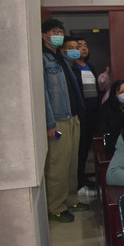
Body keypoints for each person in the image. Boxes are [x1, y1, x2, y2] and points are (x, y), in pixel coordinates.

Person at [41, 19, 88, 223]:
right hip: (58, 121)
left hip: (72, 117)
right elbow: (43, 94)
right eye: (55, 32)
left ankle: (71, 200)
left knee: (71, 162)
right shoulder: (43, 59)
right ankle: (56, 207)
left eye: (61, 31)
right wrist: (50, 123)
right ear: (44, 35)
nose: (59, 35)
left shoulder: (60, 57)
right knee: (58, 165)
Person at [73, 36, 100, 193]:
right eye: (79, 46)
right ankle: (78, 180)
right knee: (79, 149)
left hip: (92, 114)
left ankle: (83, 177)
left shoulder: (90, 67)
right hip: (80, 115)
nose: (83, 48)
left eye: (85, 45)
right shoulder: (72, 67)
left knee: (86, 148)